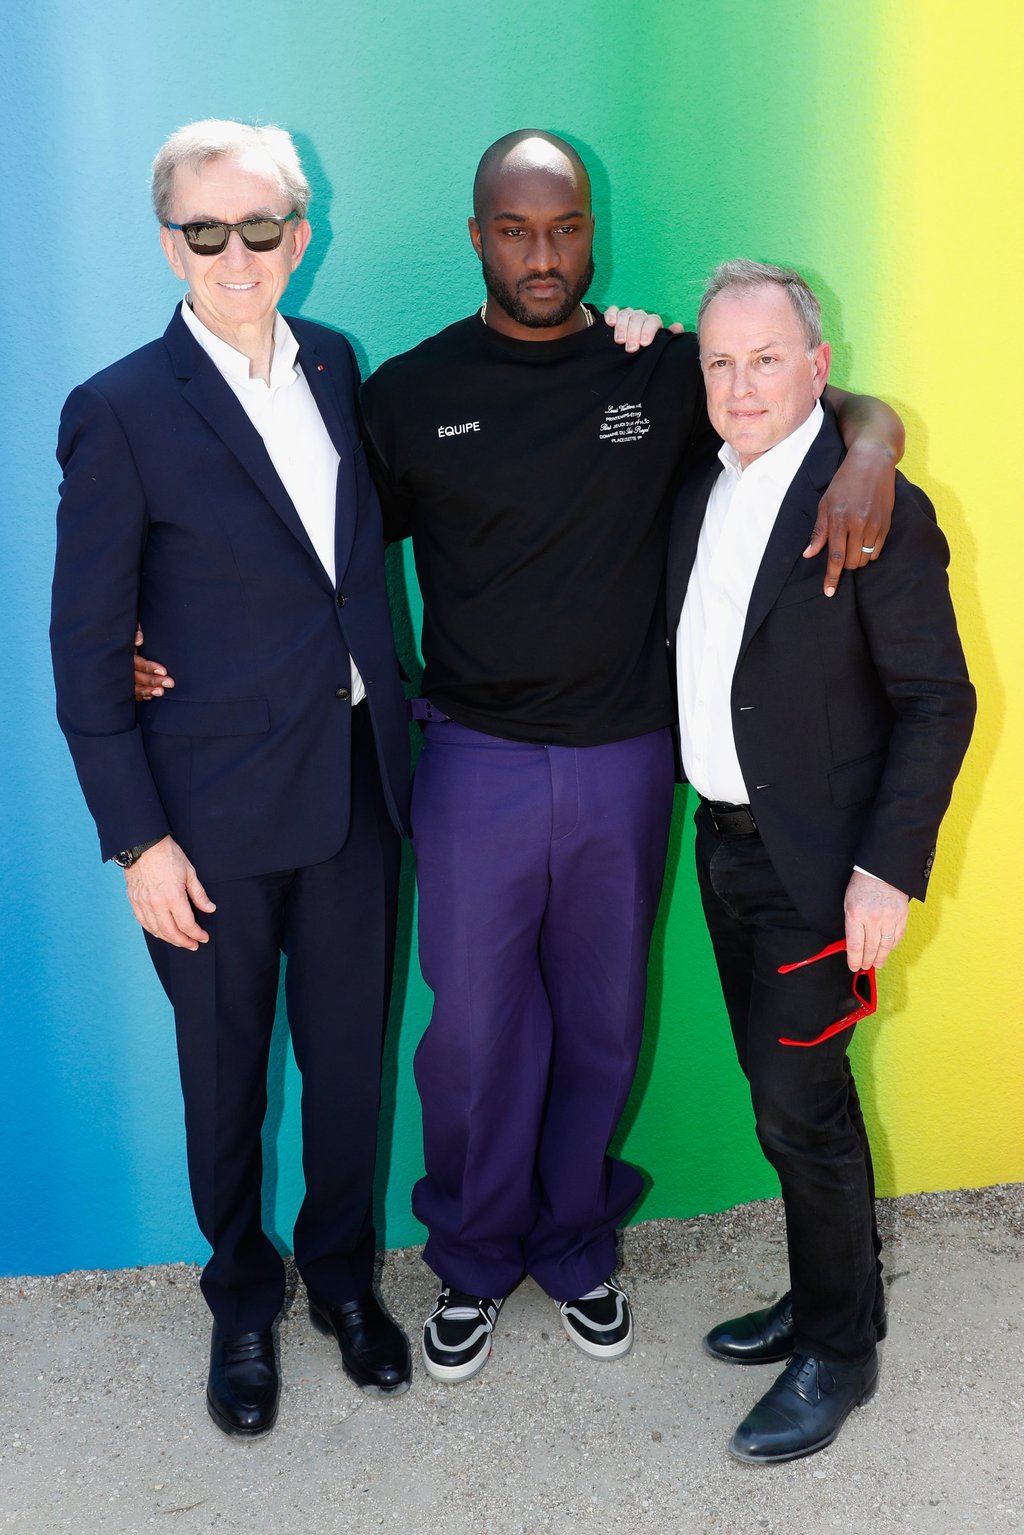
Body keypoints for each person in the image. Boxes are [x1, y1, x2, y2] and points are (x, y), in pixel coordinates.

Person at [354, 132, 908, 1384]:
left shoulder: (655, 368)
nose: (542, 253)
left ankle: (576, 1244)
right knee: (473, 1035)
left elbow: (812, 398)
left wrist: (875, 446)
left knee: (601, 1024)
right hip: (477, 756)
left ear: (589, 228)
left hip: (624, 757)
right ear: (478, 235)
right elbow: (325, 554)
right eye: (514, 229)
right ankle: (473, 1256)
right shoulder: (409, 392)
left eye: (564, 227)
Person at [50, 120, 413, 1437]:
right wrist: (136, 841)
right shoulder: (121, 407)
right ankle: (242, 1300)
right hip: (206, 817)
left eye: (259, 227)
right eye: (206, 231)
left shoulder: (335, 362)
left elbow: (346, 559)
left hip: (359, 786)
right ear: (171, 247)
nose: (236, 254)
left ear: (296, 237)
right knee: (226, 1078)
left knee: (351, 1068)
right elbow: (84, 646)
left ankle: (342, 1280)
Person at [667, 260, 975, 1462]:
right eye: (720, 362)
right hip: (721, 842)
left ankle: (840, 1350)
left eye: (766, 360)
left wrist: (884, 872)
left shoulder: (871, 501)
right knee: (777, 1095)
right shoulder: (704, 486)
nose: (740, 386)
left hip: (820, 867)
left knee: (803, 1106)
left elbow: (937, 700)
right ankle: (821, 1294)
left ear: (817, 366)